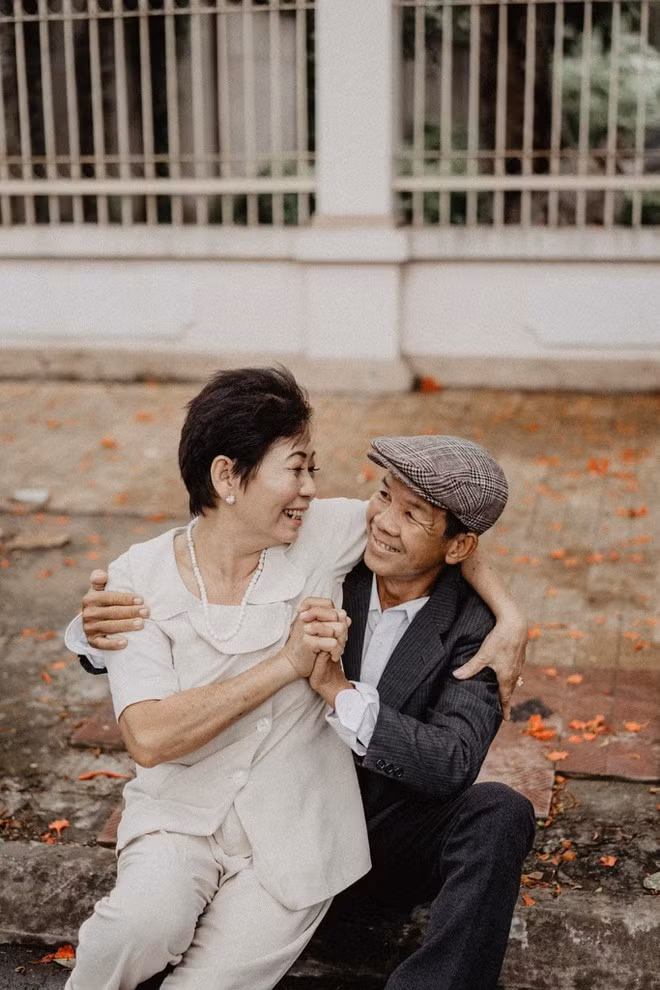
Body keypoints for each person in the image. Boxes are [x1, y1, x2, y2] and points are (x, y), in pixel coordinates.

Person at [68, 373, 529, 990]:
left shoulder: (356, 559)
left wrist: (510, 617)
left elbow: (437, 533)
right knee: (139, 926)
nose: (380, 520)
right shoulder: (156, 576)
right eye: (297, 469)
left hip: (331, 828)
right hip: (211, 815)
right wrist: (89, 634)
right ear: (228, 476)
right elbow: (149, 725)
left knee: (500, 813)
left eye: (314, 469)